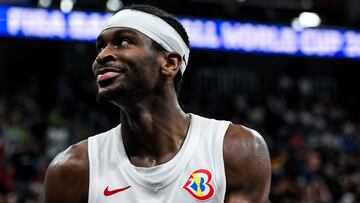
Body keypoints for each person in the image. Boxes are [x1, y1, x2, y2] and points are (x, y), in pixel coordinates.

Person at [44, 4, 271, 203]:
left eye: (122, 42)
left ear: (170, 63)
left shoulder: (237, 150)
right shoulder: (72, 169)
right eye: (101, 47)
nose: (102, 56)